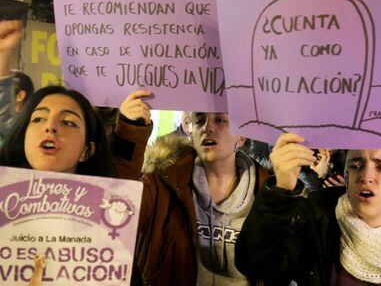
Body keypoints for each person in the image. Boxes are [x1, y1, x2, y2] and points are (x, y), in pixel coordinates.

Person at [235, 133, 381, 285]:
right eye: (355, 166)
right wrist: (281, 188)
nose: (365, 176)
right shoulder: (316, 216)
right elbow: (256, 265)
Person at [0, 19, 153, 179]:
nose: (50, 126)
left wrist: (131, 126)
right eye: (38, 119)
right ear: (22, 138)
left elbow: (121, 173)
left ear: (86, 151)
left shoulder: (106, 200)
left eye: (68, 122)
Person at [133, 112, 270, 285]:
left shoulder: (266, 192)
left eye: (220, 120)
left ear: (241, 136)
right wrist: (131, 133)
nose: (207, 128)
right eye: (199, 120)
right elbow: (116, 210)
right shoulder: (160, 181)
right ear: (191, 132)